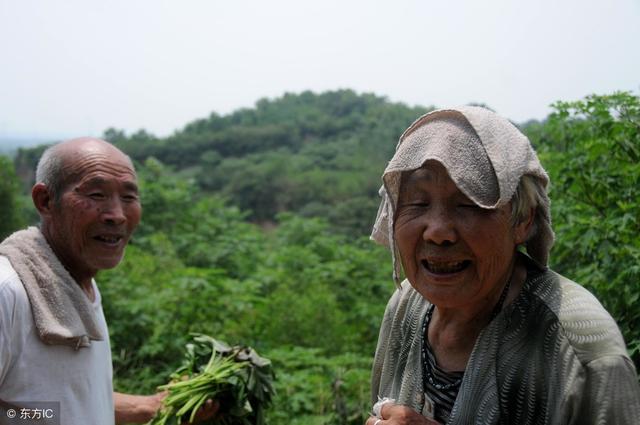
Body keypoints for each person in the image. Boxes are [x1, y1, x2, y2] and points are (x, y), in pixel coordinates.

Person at [366, 107, 640, 425]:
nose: (438, 231)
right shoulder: (406, 306)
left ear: (522, 219)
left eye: (469, 203)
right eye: (417, 203)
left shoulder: (583, 353)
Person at [0, 138, 216, 424]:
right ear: (46, 201)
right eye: (97, 194)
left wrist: (149, 407)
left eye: (128, 197)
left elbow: (70, 396)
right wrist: (41, 416)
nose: (116, 215)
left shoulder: (75, 284)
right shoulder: (9, 292)